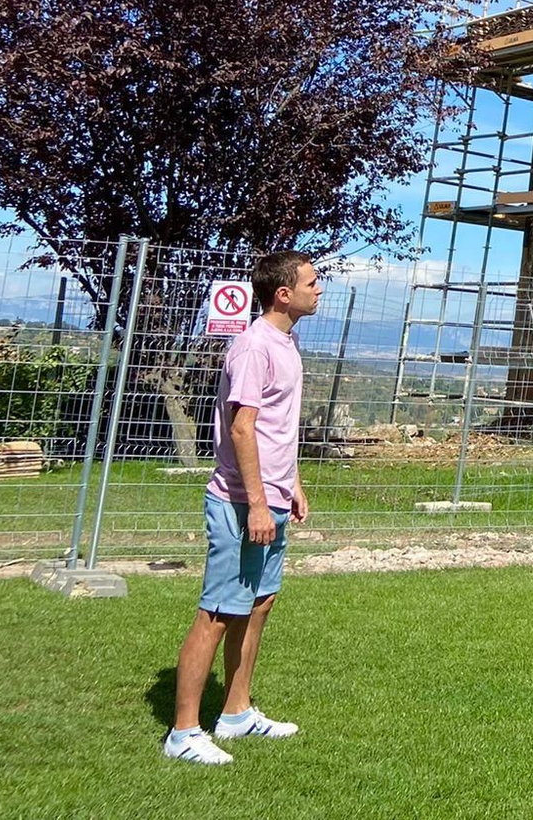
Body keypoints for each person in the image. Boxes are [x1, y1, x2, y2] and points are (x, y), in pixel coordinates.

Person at [162, 250, 318, 765]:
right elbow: (242, 427)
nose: (319, 290)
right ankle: (183, 732)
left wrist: (291, 484)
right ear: (283, 294)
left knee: (258, 604)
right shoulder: (253, 347)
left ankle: (236, 713)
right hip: (239, 502)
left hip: (271, 496)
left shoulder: (287, 343)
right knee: (216, 612)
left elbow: (278, 427)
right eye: (311, 283)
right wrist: (255, 504)